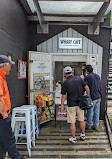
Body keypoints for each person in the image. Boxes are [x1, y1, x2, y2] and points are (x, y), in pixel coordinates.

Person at [0, 55, 24, 159]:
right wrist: (5, 115)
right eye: (9, 65)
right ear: (4, 65)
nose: (10, 67)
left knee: (2, 142)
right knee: (9, 140)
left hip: (3, 116)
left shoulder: (2, 77)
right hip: (2, 116)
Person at [61, 66, 90, 143]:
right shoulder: (79, 79)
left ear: (64, 74)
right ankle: (83, 135)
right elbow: (87, 88)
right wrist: (87, 97)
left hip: (71, 104)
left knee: (72, 122)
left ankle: (74, 138)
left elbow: (63, 96)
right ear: (72, 72)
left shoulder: (65, 83)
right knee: (81, 120)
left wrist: (62, 106)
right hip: (80, 103)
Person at [84, 65, 102, 130]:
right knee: (97, 112)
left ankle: (88, 125)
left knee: (89, 112)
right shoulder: (97, 76)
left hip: (92, 96)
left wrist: (87, 95)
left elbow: (86, 87)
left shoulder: (87, 77)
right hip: (98, 96)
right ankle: (96, 126)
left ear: (86, 70)